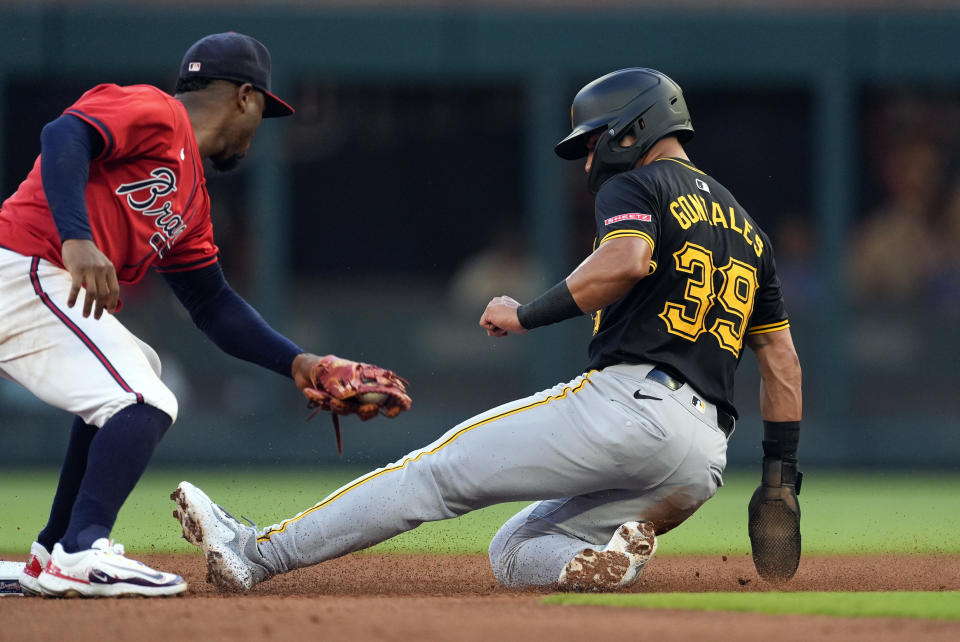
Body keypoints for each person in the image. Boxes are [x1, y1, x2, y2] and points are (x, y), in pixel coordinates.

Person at [172, 68, 803, 592]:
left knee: (432, 474)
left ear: (633, 129)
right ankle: (594, 563)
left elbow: (628, 260)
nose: (588, 157)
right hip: (701, 460)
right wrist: (779, 476)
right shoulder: (750, 230)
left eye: (592, 140)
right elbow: (781, 364)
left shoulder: (638, 181)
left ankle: (255, 553)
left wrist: (524, 313)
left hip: (631, 408)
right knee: (517, 547)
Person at [3, 32, 404, 598]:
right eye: (263, 108)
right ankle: (82, 550)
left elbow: (212, 304)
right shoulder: (159, 112)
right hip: (22, 263)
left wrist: (302, 364)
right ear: (244, 97)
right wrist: (76, 239)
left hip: (34, 279)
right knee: (143, 400)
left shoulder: (191, 200)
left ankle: (51, 554)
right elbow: (64, 132)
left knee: (137, 372)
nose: (260, 125)